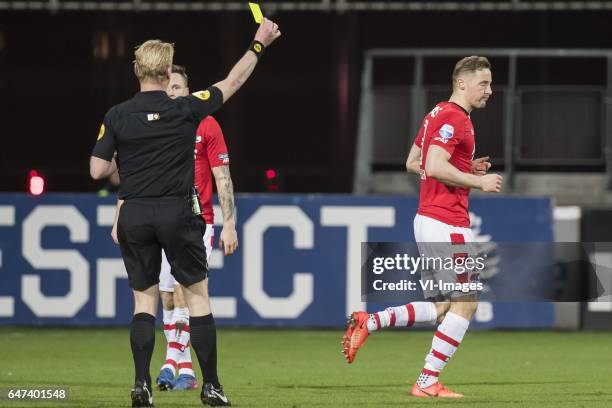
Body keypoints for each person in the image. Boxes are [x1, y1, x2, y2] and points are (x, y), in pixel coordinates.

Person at [90, 19, 280, 407]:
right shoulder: (187, 110)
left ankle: (141, 385)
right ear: (166, 72)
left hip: (136, 215)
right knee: (197, 299)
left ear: (136, 70)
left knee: (144, 303)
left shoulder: (117, 115)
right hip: (178, 214)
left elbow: (97, 169)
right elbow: (232, 82)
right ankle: (210, 385)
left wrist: (127, 159)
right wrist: (258, 45)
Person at [342, 56, 502, 399]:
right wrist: (479, 182)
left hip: (429, 219)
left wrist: (464, 167)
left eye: (490, 83)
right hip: (447, 222)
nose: (490, 90)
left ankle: (369, 322)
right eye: (483, 83)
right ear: (461, 83)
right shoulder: (454, 118)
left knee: (446, 306)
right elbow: (430, 164)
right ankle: (427, 380)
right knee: (467, 303)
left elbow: (413, 163)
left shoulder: (436, 113)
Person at [154, 64, 238, 392]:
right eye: (168, 87)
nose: (172, 92)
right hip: (161, 219)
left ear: (188, 92)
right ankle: (177, 360)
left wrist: (229, 222)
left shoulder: (206, 123)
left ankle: (179, 364)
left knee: (186, 292)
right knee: (166, 296)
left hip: (197, 220)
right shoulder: (158, 126)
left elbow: (222, 176)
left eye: (177, 87)